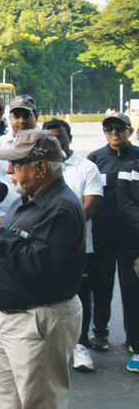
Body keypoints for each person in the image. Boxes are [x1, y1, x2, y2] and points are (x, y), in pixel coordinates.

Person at [0, 129, 86, 408]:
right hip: (7, 318)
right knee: (6, 403)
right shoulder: (29, 199)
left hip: (37, 320)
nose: (9, 169)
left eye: (17, 163)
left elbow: (38, 262)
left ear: (42, 168)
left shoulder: (61, 207)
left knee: (40, 402)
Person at [41, 119, 104, 372]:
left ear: (70, 139)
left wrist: (62, 228)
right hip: (44, 245)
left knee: (79, 296)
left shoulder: (87, 167)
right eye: (51, 140)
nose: (57, 143)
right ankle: (51, 345)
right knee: (45, 295)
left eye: (61, 138)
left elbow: (92, 204)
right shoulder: (41, 168)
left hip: (79, 245)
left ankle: (80, 345)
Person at [86, 112, 139, 352]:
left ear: (131, 131)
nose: (115, 133)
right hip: (103, 234)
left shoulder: (138, 158)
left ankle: (133, 336)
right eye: (109, 129)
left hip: (133, 236)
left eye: (120, 128)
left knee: (132, 289)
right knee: (101, 286)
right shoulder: (95, 160)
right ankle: (100, 331)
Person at [0, 95, 40, 216]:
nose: (22, 121)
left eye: (26, 116)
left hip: (38, 213)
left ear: (36, 117)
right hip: (4, 215)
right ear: (9, 118)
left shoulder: (47, 144)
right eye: (17, 116)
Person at [115, 130, 139, 372]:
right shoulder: (131, 168)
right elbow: (124, 203)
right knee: (133, 298)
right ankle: (137, 346)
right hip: (133, 244)